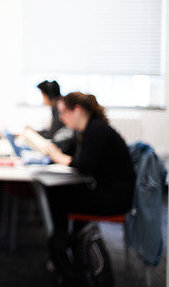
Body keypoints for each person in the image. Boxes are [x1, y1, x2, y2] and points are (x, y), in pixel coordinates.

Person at [44, 92, 136, 281]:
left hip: (115, 197)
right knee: (59, 193)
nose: (61, 118)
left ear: (77, 110)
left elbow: (83, 165)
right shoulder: (88, 130)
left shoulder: (96, 130)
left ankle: (66, 249)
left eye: (63, 113)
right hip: (106, 190)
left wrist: (58, 157)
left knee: (58, 195)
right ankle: (72, 245)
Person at [36, 80, 77, 156]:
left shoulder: (59, 107)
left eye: (43, 95)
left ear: (50, 95)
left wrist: (37, 133)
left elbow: (53, 133)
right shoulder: (58, 105)